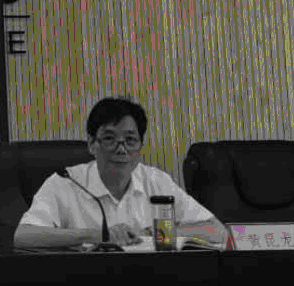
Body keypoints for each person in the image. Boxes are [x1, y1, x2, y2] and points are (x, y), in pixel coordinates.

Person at [12, 97, 227, 250]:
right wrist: (99, 235)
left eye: (130, 140)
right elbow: (23, 236)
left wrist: (156, 234)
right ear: (91, 144)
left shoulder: (156, 181)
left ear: (140, 146)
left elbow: (216, 231)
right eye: (109, 139)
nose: (121, 149)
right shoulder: (65, 182)